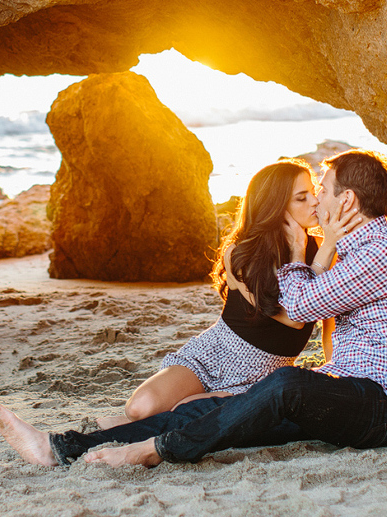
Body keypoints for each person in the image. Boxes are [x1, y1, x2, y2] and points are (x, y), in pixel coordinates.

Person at [0, 149, 387, 468]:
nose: (317, 200)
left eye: (324, 189)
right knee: (218, 409)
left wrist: (300, 255)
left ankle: (151, 451)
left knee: (286, 383)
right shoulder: (356, 250)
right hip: (347, 397)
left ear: (347, 199)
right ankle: (61, 449)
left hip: (382, 408)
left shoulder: (383, 249)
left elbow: (300, 303)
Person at [112, 160, 336, 426]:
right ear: (276, 206)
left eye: (313, 192)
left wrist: (336, 375)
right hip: (215, 351)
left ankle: (121, 428)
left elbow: (329, 327)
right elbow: (293, 316)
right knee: (139, 408)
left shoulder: (324, 253)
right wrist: (299, 250)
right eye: (302, 197)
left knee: (186, 411)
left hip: (264, 373)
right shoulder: (241, 253)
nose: (315, 202)